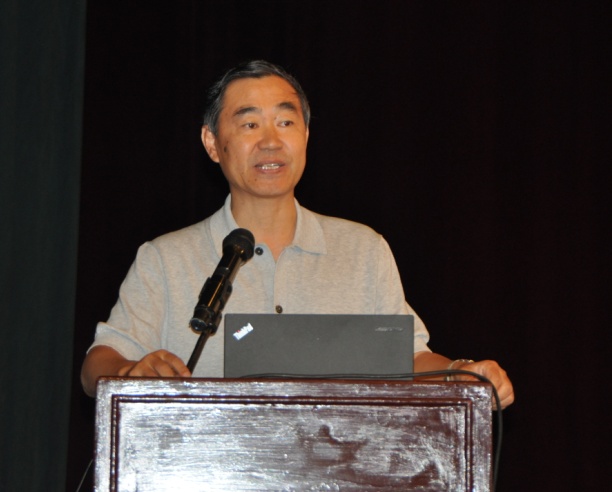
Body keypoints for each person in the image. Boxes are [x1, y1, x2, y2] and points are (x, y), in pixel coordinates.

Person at [80, 60, 514, 410]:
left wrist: (462, 372)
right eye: (250, 125)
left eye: (286, 122)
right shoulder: (165, 258)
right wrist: (130, 371)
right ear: (212, 143)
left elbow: (409, 359)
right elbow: (97, 363)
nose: (271, 141)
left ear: (306, 135)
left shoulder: (363, 250)